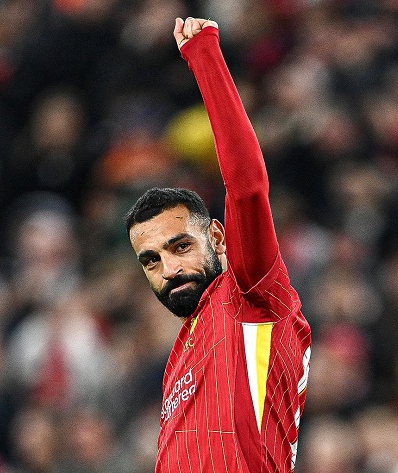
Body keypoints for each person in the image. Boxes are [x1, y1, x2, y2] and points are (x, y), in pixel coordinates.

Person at [124, 16, 311, 473]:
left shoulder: (252, 295)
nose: (168, 270)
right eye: (151, 260)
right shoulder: (180, 356)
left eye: (180, 247)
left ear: (217, 237)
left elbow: (247, 188)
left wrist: (205, 56)